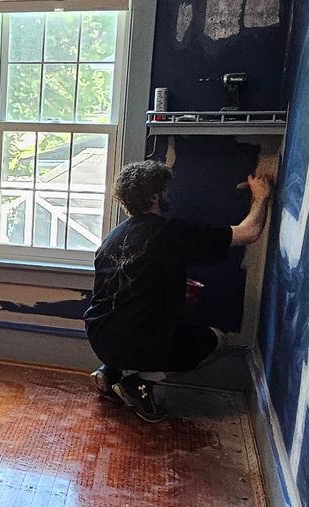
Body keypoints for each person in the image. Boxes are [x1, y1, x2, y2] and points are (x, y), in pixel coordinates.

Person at [84, 160, 272, 422]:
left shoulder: (112, 238)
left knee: (133, 327)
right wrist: (261, 197)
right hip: (135, 343)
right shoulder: (170, 234)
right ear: (154, 196)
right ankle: (138, 384)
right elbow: (248, 233)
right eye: (165, 190)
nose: (169, 194)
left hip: (99, 339)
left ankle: (109, 373)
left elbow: (126, 288)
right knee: (217, 340)